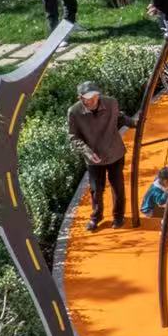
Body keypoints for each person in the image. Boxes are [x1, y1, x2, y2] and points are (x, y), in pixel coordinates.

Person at [66, 81, 138, 233]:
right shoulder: (74, 112)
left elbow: (119, 117)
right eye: (88, 98)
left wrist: (134, 123)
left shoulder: (111, 103)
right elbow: (73, 137)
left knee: (117, 186)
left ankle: (118, 216)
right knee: (96, 189)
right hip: (93, 158)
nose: (92, 100)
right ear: (80, 98)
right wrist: (87, 152)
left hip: (114, 153)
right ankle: (96, 217)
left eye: (95, 96)